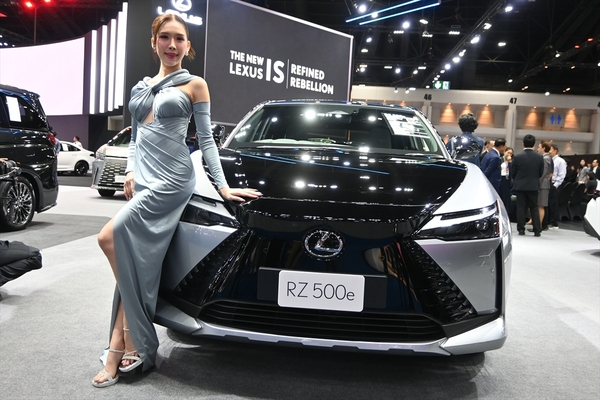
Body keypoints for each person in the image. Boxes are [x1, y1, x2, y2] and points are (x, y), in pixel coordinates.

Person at [92, 13, 262, 388]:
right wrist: (130, 171)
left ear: (188, 45)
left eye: (179, 38)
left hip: (172, 181)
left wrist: (222, 187)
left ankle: (129, 339)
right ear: (154, 42)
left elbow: (206, 141)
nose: (172, 45)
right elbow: (136, 137)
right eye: (165, 37)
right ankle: (125, 343)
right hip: (145, 179)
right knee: (134, 261)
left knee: (108, 238)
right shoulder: (141, 87)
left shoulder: (195, 84)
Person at [511, 134, 544, 236]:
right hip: (533, 186)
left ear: (523, 144)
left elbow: (513, 172)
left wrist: (517, 179)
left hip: (520, 186)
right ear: (534, 144)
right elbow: (541, 172)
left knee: (521, 207)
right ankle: (537, 230)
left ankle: (521, 229)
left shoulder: (517, 156)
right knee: (534, 207)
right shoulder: (539, 157)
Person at [535, 141, 553, 231]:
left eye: (539, 147)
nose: (538, 149)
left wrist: (537, 184)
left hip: (543, 185)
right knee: (539, 205)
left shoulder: (545, 158)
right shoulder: (547, 157)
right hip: (544, 184)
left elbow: (543, 173)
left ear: (544, 148)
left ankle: (539, 226)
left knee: (540, 205)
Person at [547, 144, 566, 229]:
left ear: (555, 151)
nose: (549, 151)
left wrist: (556, 185)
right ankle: (548, 221)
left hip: (555, 184)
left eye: (550, 149)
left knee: (554, 204)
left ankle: (554, 223)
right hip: (549, 183)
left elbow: (562, 174)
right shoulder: (549, 159)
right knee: (549, 203)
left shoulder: (560, 161)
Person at [499, 146, 514, 217]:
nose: (509, 154)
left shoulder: (511, 162)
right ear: (505, 152)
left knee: (506, 196)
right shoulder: (500, 159)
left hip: (507, 179)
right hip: (501, 178)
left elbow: (512, 171)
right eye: (508, 152)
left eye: (511, 153)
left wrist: (509, 162)